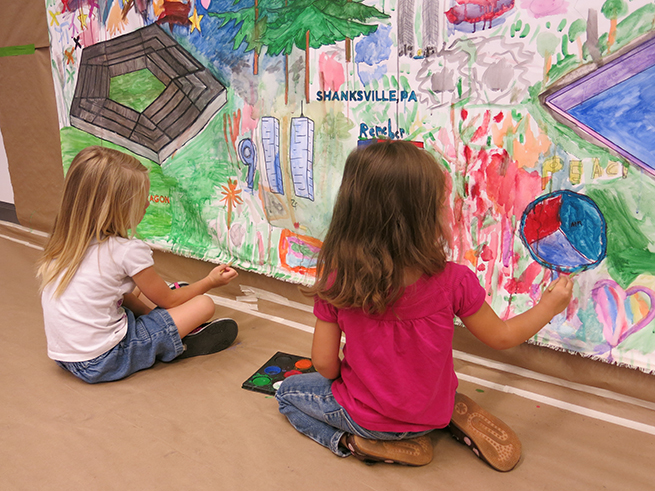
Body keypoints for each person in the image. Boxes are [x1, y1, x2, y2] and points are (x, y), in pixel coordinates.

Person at [275, 141, 573, 471]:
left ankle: (352, 442)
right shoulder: (455, 280)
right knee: (414, 391)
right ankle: (433, 422)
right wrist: (549, 306)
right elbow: (502, 337)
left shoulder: (337, 281)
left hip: (369, 419)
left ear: (351, 212)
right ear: (426, 216)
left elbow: (326, 366)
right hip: (434, 410)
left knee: (287, 393)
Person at [38, 146, 239, 384]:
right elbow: (170, 301)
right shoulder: (126, 251)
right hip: (105, 360)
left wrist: (151, 313)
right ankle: (176, 342)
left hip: (66, 356)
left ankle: (167, 325)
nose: (146, 204)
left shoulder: (66, 241)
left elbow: (118, 295)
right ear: (119, 207)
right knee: (203, 304)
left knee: (142, 290)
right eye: (142, 200)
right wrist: (210, 281)